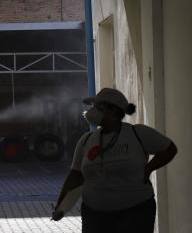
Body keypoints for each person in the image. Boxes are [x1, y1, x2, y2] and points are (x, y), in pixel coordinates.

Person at [52, 88, 178, 233]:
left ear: (112, 109)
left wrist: (149, 168)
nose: (92, 111)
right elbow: (76, 175)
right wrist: (61, 206)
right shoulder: (86, 140)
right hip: (94, 215)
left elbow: (169, 149)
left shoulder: (137, 133)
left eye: (97, 107)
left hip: (135, 213)